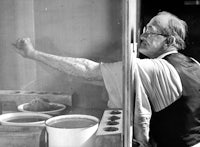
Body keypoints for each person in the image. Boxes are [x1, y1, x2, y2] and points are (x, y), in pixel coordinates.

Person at [13, 11, 200, 147]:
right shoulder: (194, 64)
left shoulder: (154, 69)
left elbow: (88, 70)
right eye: (144, 29)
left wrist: (33, 54)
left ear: (168, 42)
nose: (142, 35)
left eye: (151, 32)